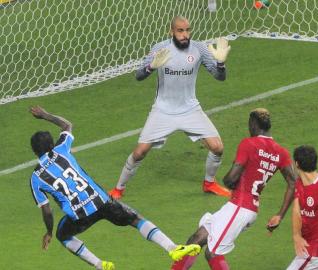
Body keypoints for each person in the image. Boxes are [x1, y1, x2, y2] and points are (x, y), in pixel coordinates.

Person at [29, 106, 200, 270]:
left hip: (79, 215)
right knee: (135, 219)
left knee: (62, 235)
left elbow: (47, 211)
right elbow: (67, 125)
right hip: (101, 200)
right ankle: (172, 247)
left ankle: (100, 265)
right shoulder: (61, 149)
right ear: (52, 144)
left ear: (35, 152)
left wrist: (49, 232)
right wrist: (45, 115)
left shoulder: (35, 178)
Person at [109, 16, 232, 199]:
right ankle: (118, 188)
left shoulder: (198, 48)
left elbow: (219, 77)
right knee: (140, 151)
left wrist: (221, 64)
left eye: (187, 30)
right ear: (171, 31)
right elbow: (139, 76)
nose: (185, 35)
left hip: (190, 109)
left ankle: (209, 183)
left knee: (217, 147)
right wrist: (151, 67)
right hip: (163, 110)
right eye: (180, 31)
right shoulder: (160, 49)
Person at [171, 108, 297, 270]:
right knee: (196, 239)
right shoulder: (281, 152)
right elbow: (293, 182)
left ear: (253, 124)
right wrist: (280, 215)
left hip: (240, 207)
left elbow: (230, 179)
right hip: (243, 207)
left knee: (213, 252)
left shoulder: (248, 144)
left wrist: (229, 178)